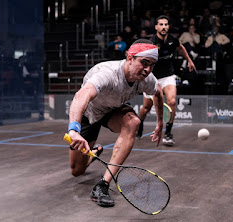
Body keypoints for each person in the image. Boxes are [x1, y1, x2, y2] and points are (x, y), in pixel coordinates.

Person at [67, 39, 164, 207]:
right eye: (144, 62)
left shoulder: (146, 79)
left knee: (133, 123)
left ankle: (103, 185)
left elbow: (158, 92)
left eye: (152, 65)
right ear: (130, 57)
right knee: (77, 171)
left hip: (113, 110)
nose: (148, 69)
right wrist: (74, 129)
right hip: (89, 111)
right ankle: (94, 154)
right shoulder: (107, 73)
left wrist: (160, 122)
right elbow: (81, 95)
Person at [137, 15, 196, 146]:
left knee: (172, 101)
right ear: (156, 27)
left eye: (166, 24)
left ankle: (168, 134)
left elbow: (180, 48)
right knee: (146, 108)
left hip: (168, 76)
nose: (163, 27)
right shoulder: (151, 42)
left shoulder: (173, 39)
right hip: (152, 78)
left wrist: (189, 60)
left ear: (168, 26)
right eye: (161, 25)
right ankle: (139, 124)